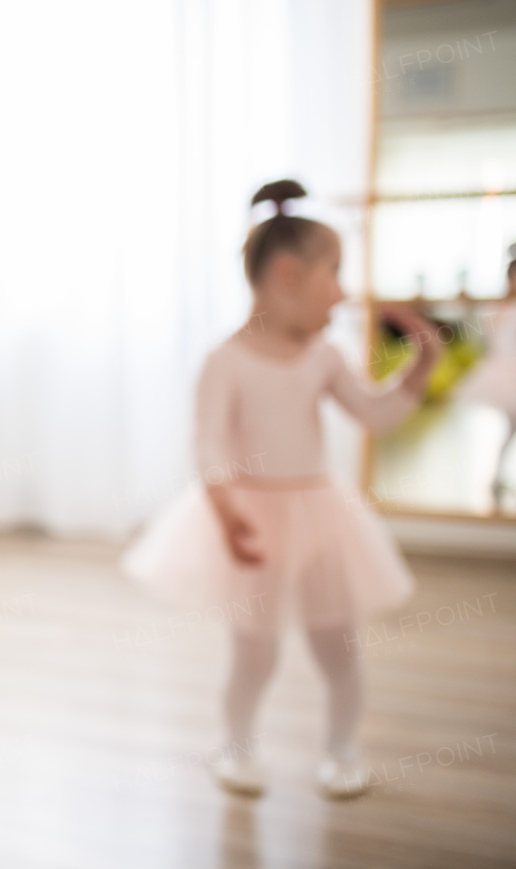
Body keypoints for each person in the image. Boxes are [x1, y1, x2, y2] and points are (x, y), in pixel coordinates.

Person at [120, 180, 440, 800]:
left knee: (339, 651)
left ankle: (341, 750)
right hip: (253, 524)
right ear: (289, 275)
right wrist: (226, 509)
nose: (344, 291)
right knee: (255, 654)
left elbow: (375, 415)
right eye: (335, 272)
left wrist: (419, 367)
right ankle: (237, 750)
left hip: (322, 521)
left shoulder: (325, 355)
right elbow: (208, 445)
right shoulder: (226, 360)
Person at [454, 250, 516, 512]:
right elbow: (488, 335)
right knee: (510, 428)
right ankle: (496, 477)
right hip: (505, 369)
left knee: (511, 429)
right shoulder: (499, 309)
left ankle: (497, 477)